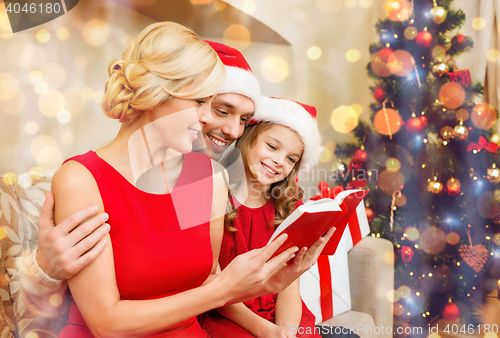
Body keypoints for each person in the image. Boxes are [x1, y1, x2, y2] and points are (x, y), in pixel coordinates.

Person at [42, 22, 334, 338]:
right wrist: (223, 288)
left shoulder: (205, 178)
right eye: (200, 102)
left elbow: (206, 278)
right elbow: (106, 323)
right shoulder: (81, 179)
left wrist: (268, 282)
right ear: (156, 92)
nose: (211, 120)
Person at [198, 96, 324, 338]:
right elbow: (214, 286)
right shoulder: (216, 196)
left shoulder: (288, 208)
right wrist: (265, 330)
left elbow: (289, 288)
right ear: (249, 139)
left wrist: (286, 332)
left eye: (290, 159)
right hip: (229, 313)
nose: (278, 161)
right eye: (273, 147)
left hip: (282, 316)